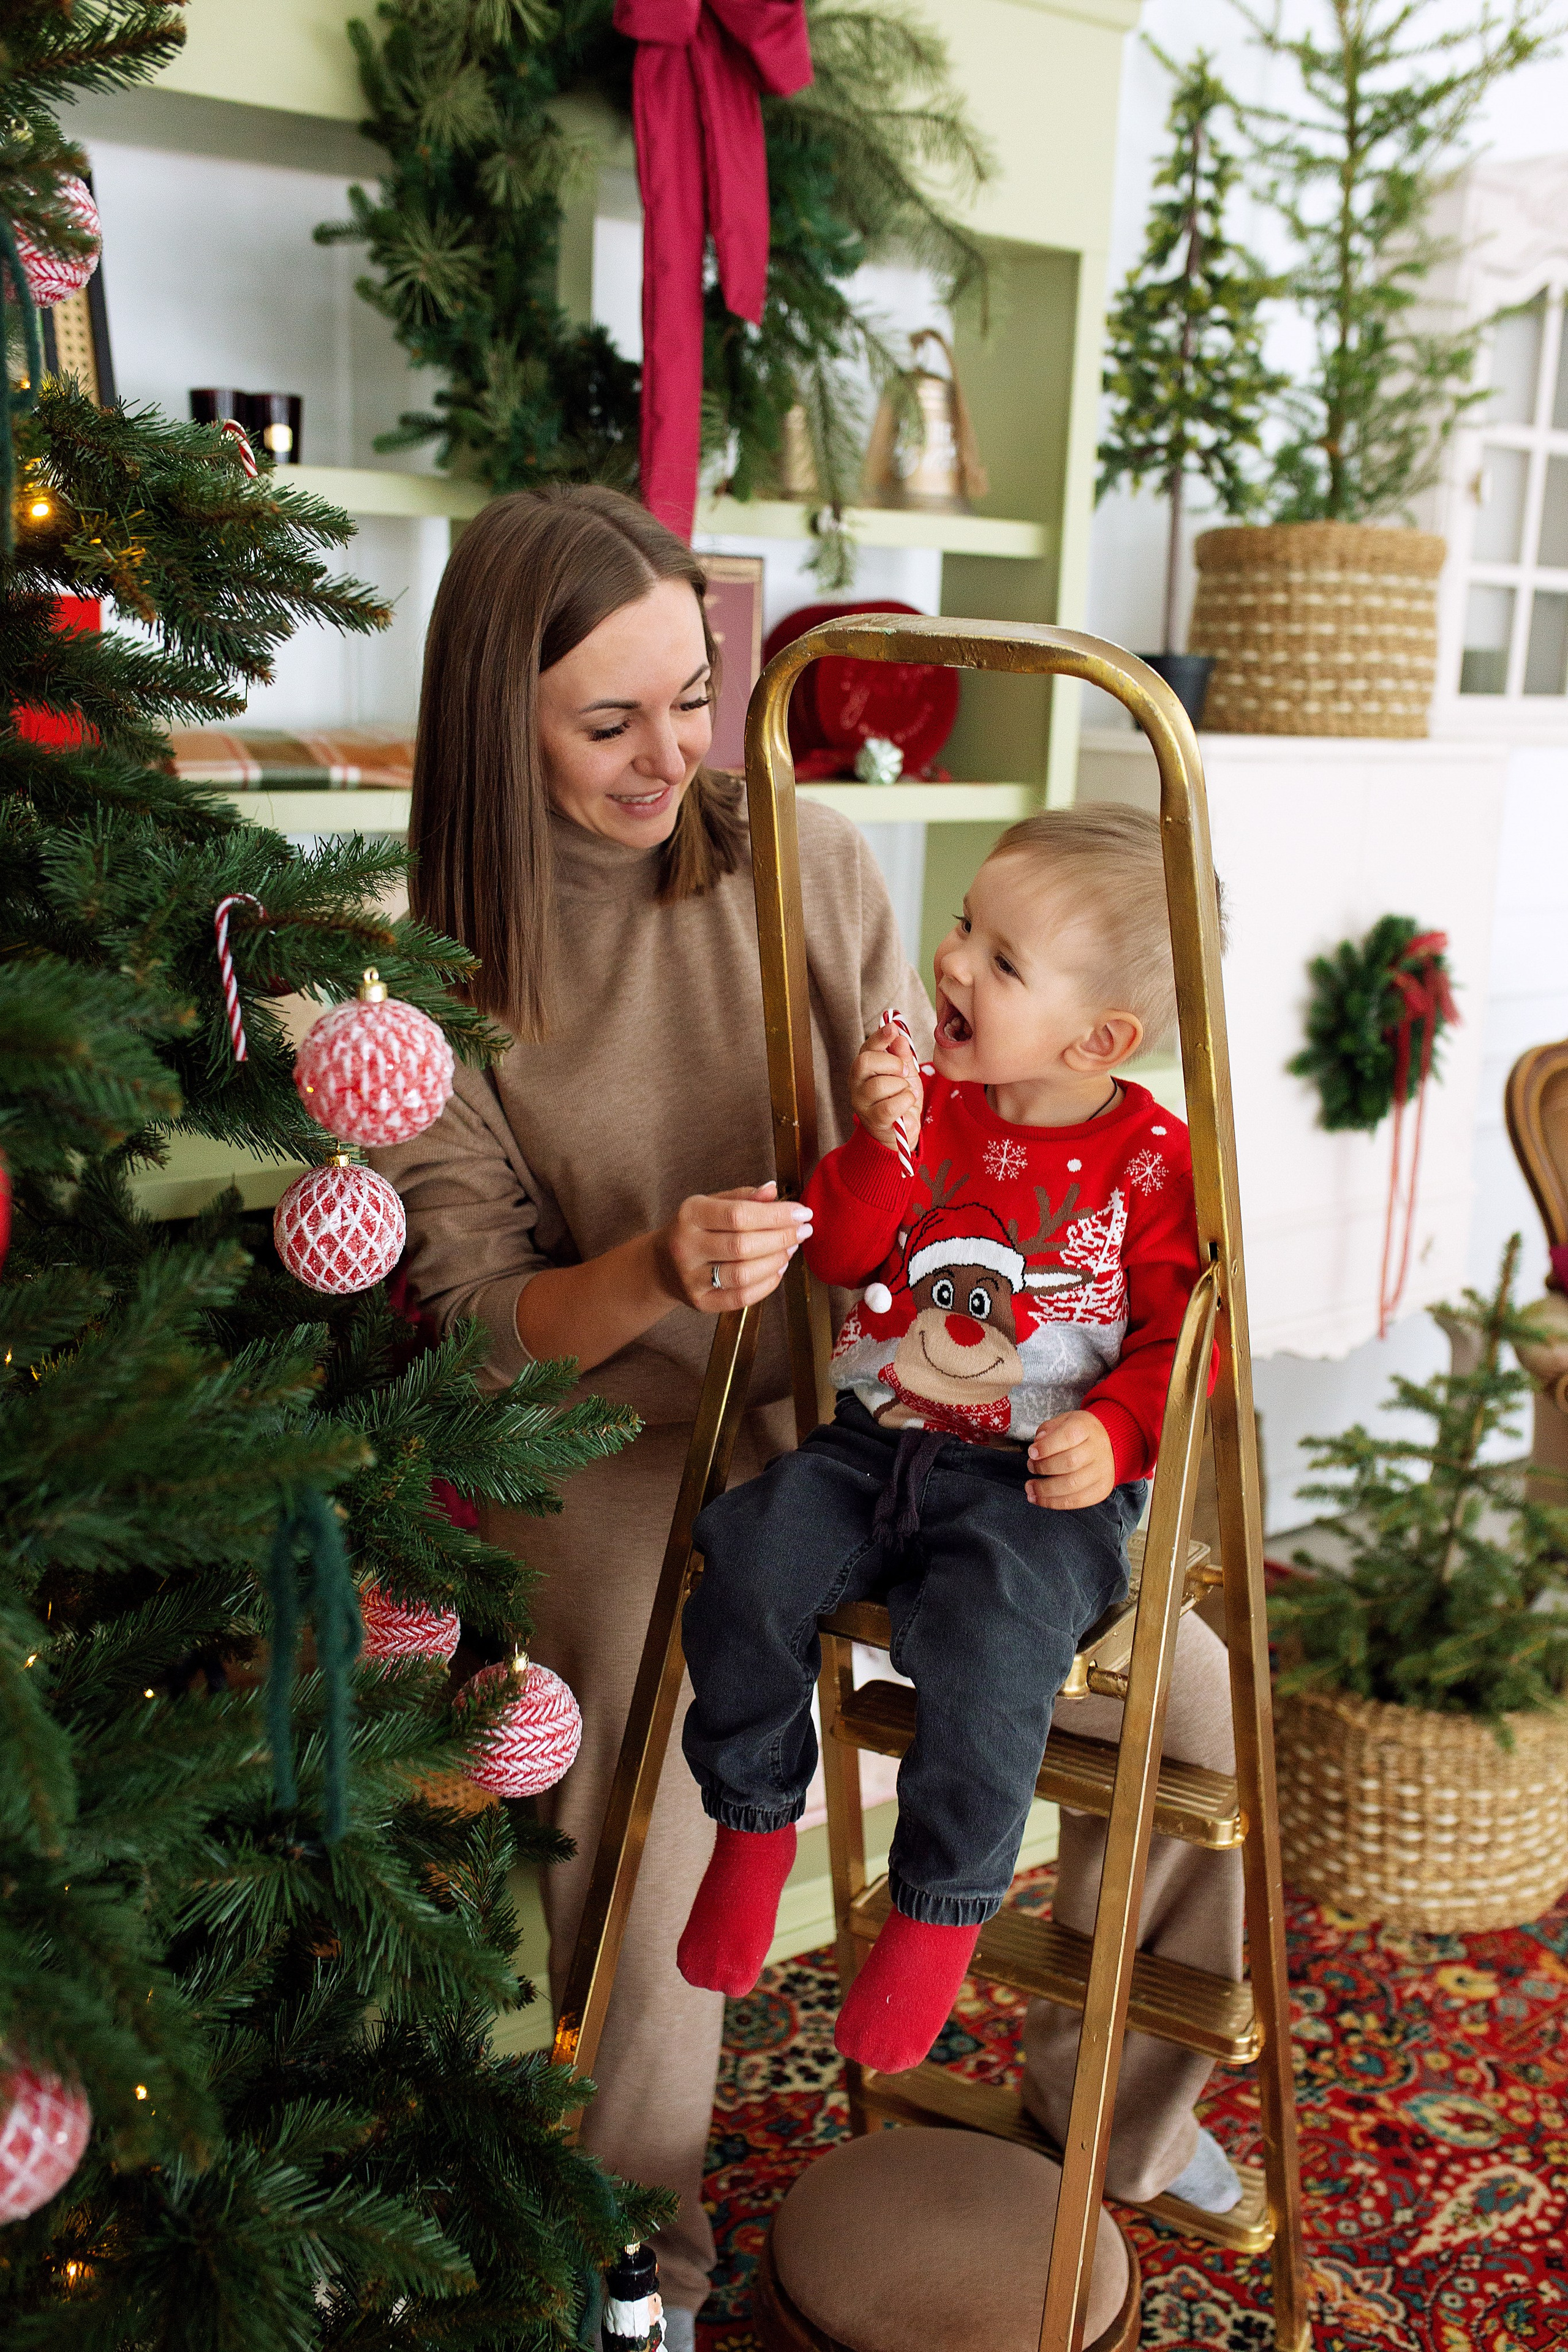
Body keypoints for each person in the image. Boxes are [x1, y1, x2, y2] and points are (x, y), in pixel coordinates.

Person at [373, 489, 1244, 2343]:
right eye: (611, 723)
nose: (677, 753)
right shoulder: (432, 967)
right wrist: (655, 1270)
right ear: (492, 724)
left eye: (695, 694)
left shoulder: (806, 854)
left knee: (1190, 1704)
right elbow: (470, 1323)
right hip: (602, 1424)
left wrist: (977, 1246)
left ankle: (1097, 2128)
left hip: (879, 1396)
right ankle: (642, 2252)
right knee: (673, 1696)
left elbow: (945, 1156)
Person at [677, 806, 1208, 2076]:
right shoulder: (928, 1106)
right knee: (745, 1557)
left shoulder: (1147, 1162)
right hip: (877, 1445)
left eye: (1001, 958)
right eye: (966, 921)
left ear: (1099, 1039)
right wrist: (878, 1147)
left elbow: (1182, 1339)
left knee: (988, 1660)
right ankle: (752, 1823)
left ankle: (934, 1916)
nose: (953, 959)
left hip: (1037, 1486)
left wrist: (1114, 1432)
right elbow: (849, 1256)